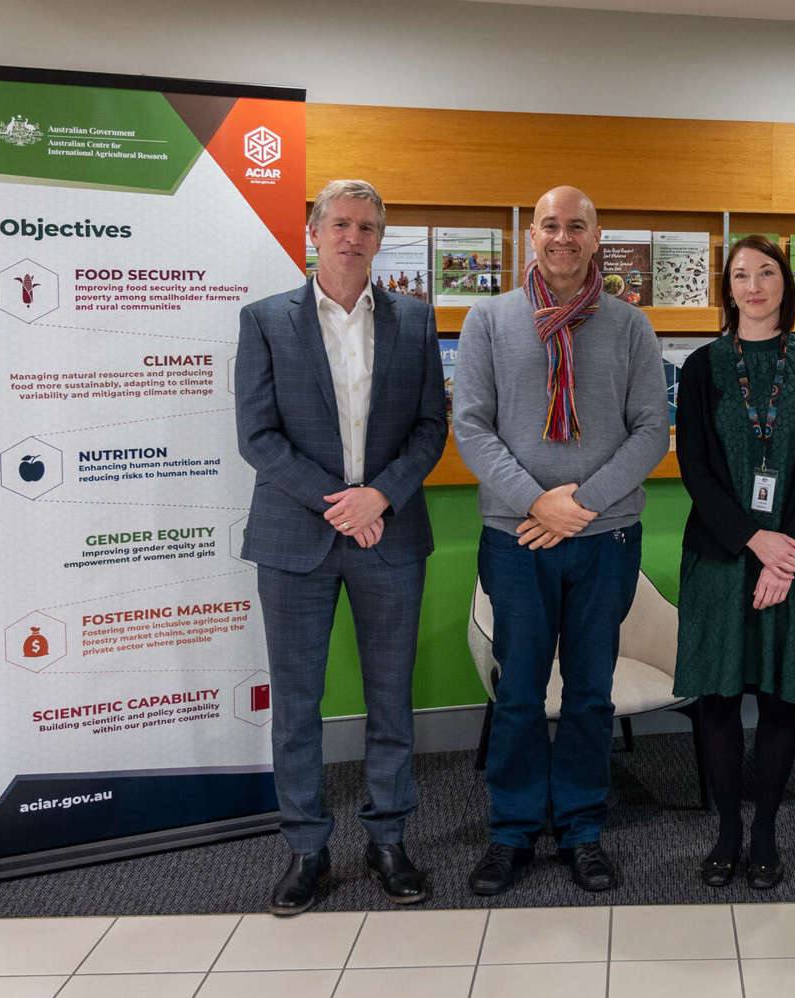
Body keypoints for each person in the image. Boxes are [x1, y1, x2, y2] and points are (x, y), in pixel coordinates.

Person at [235, 179, 448, 915]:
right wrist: (341, 505)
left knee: (392, 698)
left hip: (389, 533)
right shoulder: (265, 321)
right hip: (296, 538)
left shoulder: (416, 322)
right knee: (297, 702)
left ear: (380, 238)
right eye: (340, 224)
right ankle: (306, 850)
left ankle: (388, 840)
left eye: (366, 226)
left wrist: (378, 496)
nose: (352, 236)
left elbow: (430, 429)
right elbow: (257, 437)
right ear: (314, 232)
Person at [454, 185, 667, 896]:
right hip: (515, 536)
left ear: (596, 235)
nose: (562, 237)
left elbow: (651, 432)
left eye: (576, 226)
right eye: (550, 225)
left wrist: (580, 504)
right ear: (532, 236)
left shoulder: (630, 326)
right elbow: (472, 427)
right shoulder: (489, 320)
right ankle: (511, 833)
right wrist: (538, 502)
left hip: (604, 540)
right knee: (516, 693)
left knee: (588, 694)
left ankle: (581, 830)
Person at [673, 235, 795, 890]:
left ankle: (765, 831)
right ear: (727, 288)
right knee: (716, 699)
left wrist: (784, 553)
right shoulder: (702, 365)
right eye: (740, 274)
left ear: (785, 283)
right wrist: (753, 541)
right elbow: (696, 468)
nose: (754, 285)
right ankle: (725, 832)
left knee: (778, 700)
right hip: (718, 557)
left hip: (794, 562)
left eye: (766, 272)